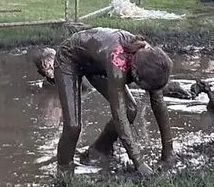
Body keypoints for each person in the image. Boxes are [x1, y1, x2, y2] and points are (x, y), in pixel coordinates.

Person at [51, 27, 174, 175]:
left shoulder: (150, 59)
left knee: (131, 109)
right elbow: (119, 115)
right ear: (135, 75)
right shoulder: (118, 62)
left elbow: (159, 103)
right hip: (69, 59)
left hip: (96, 64)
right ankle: (63, 171)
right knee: (73, 126)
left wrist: (168, 152)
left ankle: (99, 151)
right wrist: (139, 163)